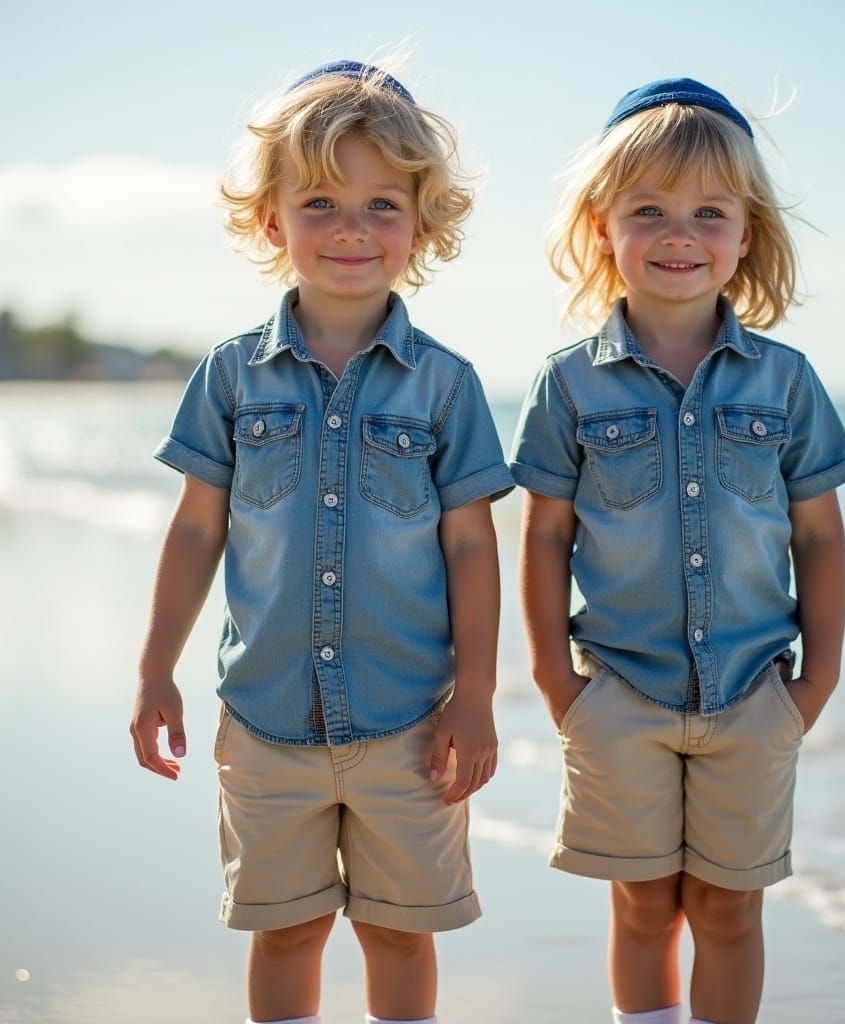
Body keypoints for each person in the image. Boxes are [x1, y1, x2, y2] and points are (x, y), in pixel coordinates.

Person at [130, 60, 514, 1024]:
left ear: (422, 228)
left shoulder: (447, 387)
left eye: (383, 203)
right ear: (271, 221)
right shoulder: (229, 377)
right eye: (320, 201)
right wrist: (153, 671)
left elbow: (473, 548)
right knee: (286, 930)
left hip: (411, 724)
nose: (351, 227)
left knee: (397, 932)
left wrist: (476, 694)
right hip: (264, 720)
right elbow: (196, 527)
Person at [511, 78, 845, 1024]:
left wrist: (817, 680)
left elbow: (820, 535)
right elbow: (544, 534)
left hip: (755, 690)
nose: (680, 235)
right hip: (617, 690)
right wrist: (555, 678)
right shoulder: (569, 387)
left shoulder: (786, 381)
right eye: (650, 211)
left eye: (709, 213)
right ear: (602, 228)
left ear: (745, 234)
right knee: (642, 903)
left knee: (728, 906)